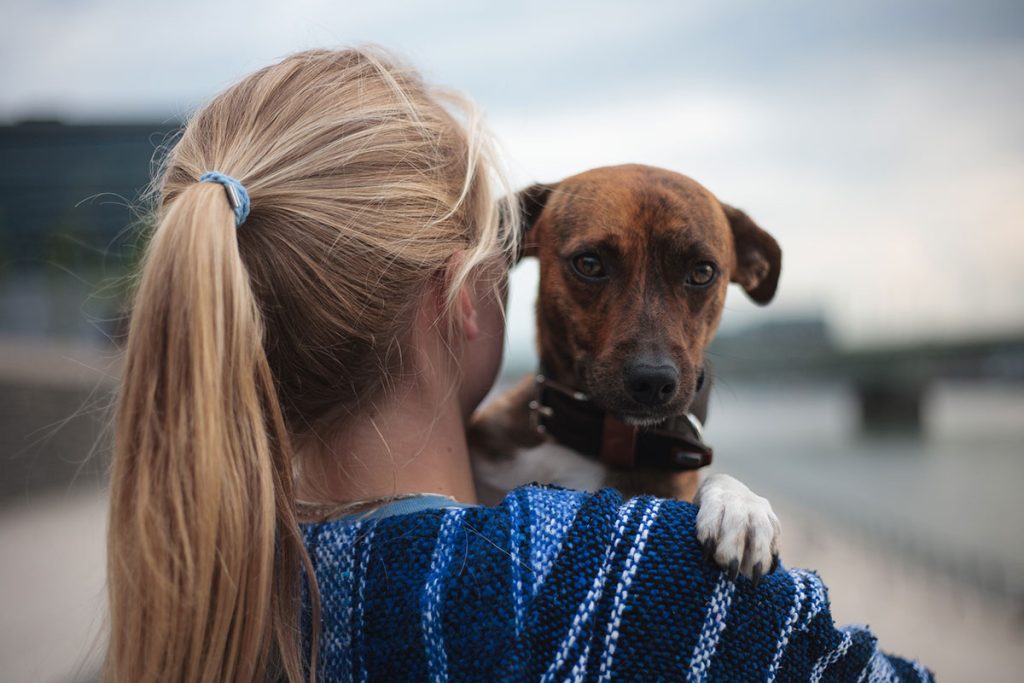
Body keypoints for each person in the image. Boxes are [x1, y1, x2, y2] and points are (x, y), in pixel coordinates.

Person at [106, 47, 932, 682]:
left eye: (695, 277)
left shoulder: (207, 588)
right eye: (593, 267)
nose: (652, 351)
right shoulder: (665, 583)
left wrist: (717, 487)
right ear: (462, 289)